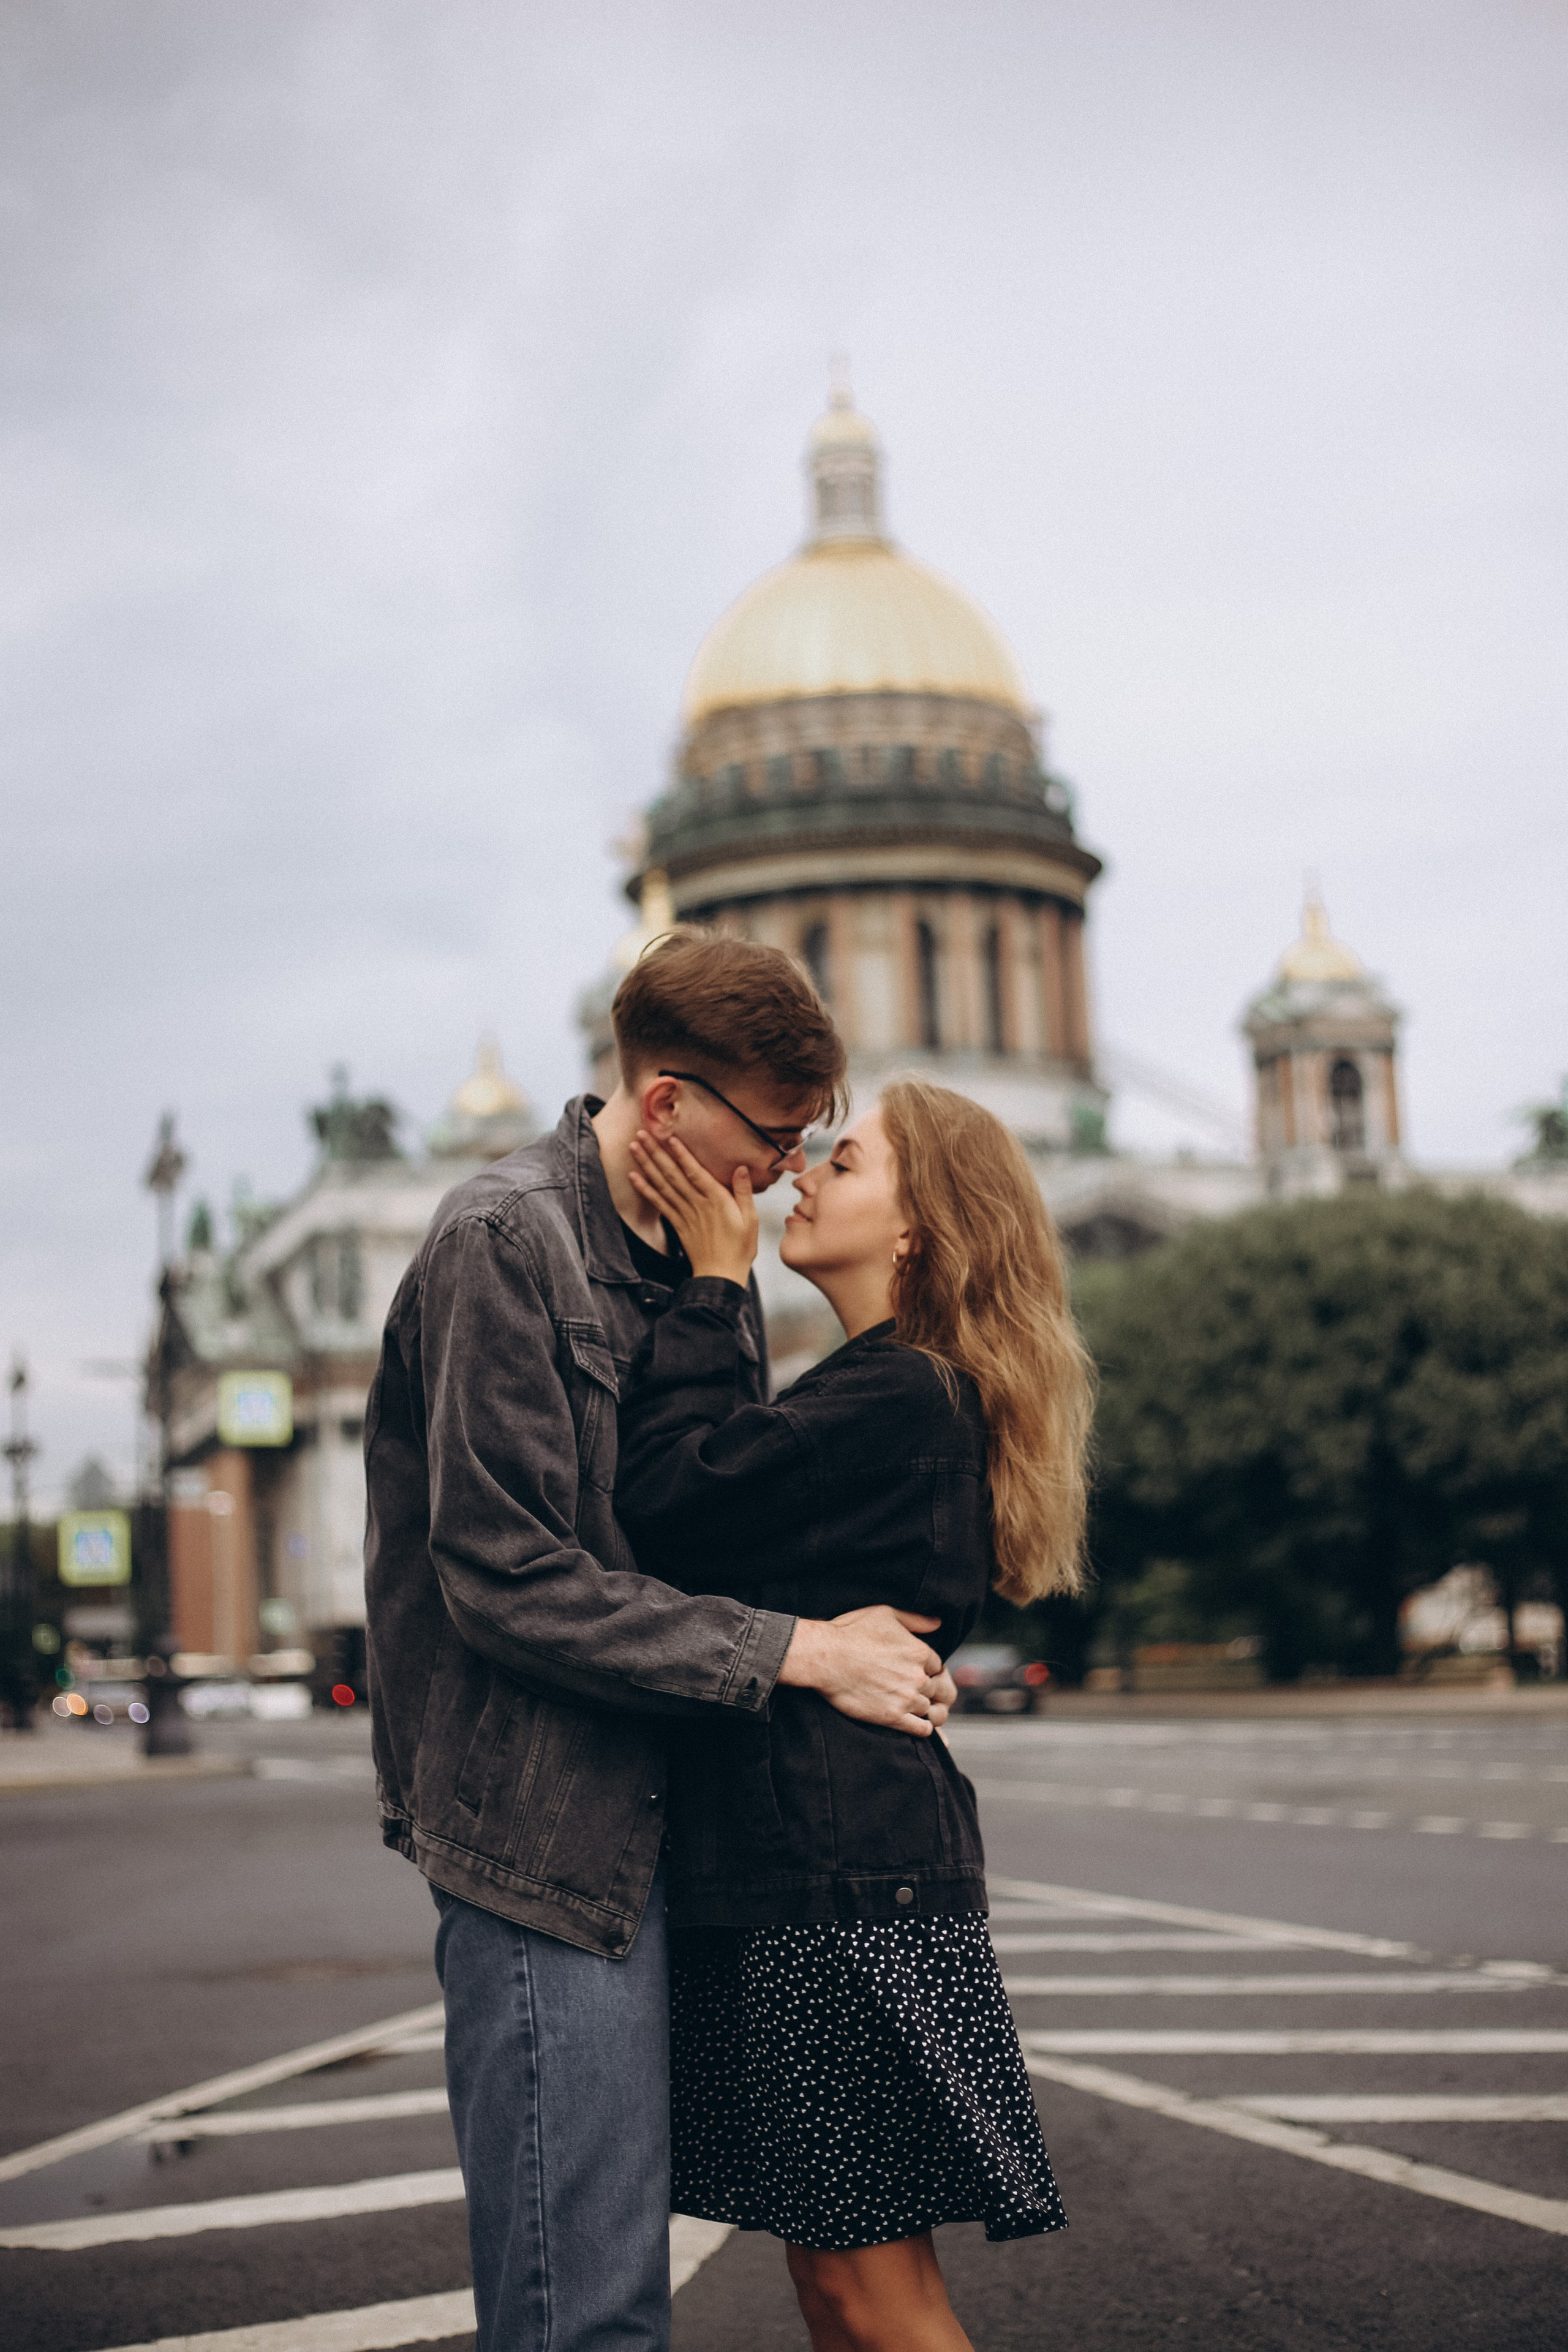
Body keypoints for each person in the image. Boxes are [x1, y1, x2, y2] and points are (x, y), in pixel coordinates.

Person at [363, 932, 957, 2352]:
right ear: (667, 1105)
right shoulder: (502, 1245)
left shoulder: (708, 1255)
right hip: (546, 1836)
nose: (786, 1165)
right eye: (772, 1135)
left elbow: (697, 1528)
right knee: (588, 2308)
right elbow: (506, 1578)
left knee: (669, 2281)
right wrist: (800, 1650)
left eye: (817, 1140)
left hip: (681, 1827)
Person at [615, 1075, 1095, 2352]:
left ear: (915, 1229)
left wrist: (718, 1286)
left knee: (875, 2296)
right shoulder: (875, 1384)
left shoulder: (898, 1393)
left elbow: (667, 1502)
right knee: (837, 2288)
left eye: (847, 1159)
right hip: (819, 1873)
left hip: (834, 1889)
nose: (804, 1173)